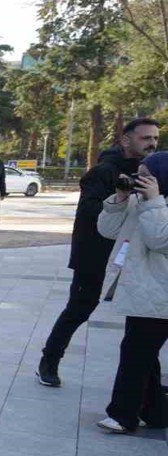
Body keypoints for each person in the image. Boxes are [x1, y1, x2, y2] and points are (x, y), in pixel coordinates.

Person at [38, 119, 160, 387]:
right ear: (125, 140)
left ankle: (148, 388)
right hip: (96, 258)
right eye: (145, 138)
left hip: (137, 259)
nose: (152, 143)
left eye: (155, 138)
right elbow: (88, 213)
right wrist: (121, 202)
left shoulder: (155, 173)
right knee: (78, 310)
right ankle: (49, 360)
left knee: (143, 324)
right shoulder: (104, 172)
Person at [94, 152, 168, 433]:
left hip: (160, 293)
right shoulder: (144, 202)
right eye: (138, 175)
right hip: (142, 289)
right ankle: (156, 413)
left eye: (146, 175)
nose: (140, 180)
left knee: (136, 353)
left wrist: (154, 201)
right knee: (142, 353)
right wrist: (121, 199)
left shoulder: (155, 204)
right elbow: (107, 230)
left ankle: (124, 415)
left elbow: (160, 239)